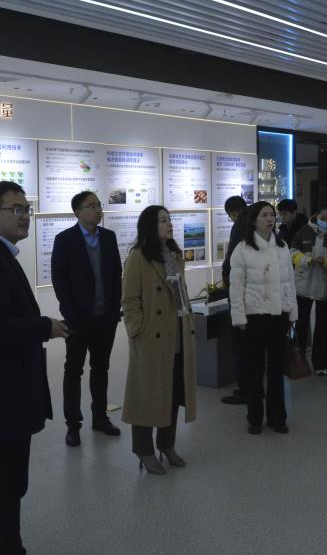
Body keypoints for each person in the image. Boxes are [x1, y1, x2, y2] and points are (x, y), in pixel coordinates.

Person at [0, 181, 68, 555]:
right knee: (5, 484)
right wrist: (44, 327)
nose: (24, 216)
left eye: (26, 210)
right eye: (15, 209)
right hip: (1, 395)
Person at [121, 205, 198, 474]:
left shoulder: (175, 255)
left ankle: (166, 444)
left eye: (169, 220)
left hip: (177, 330)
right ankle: (143, 450)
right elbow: (130, 300)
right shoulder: (138, 258)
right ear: (149, 226)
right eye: (163, 220)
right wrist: (137, 331)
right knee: (147, 394)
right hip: (151, 336)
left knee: (173, 391)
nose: (169, 224)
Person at [50, 191, 123, 448]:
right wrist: (71, 314)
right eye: (91, 206)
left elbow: (116, 275)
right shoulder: (64, 240)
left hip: (106, 318)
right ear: (77, 212)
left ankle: (100, 417)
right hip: (78, 320)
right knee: (73, 371)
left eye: (98, 205)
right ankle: (73, 425)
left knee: (101, 369)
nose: (97, 209)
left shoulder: (108, 237)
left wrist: (115, 310)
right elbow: (59, 280)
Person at [230, 201, 298, 434]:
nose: (270, 219)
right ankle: (255, 417)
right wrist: (239, 316)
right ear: (253, 220)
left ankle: (277, 417)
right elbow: (236, 288)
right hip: (254, 317)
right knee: (254, 370)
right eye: (264, 215)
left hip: (279, 315)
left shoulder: (282, 246)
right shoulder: (242, 249)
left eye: (271, 215)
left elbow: (289, 282)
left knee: (277, 369)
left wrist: (292, 311)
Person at [290, 207, 327, 375]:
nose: (325, 221)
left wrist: (326, 262)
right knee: (300, 324)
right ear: (316, 216)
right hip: (303, 286)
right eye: (323, 218)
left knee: (322, 327)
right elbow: (292, 252)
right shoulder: (304, 231)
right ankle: (298, 361)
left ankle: (321, 364)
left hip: (325, 287)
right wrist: (307, 261)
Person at [220, 195, 250, 406]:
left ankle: (246, 388)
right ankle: (253, 385)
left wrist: (227, 280)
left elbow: (232, 260)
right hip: (254, 293)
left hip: (240, 292)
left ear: (232, 212)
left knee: (241, 343)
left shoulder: (240, 225)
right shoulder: (257, 224)